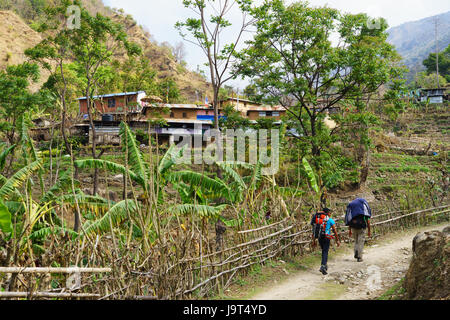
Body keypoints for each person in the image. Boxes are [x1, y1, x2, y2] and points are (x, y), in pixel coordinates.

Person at [311, 208, 341, 275]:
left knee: (323, 250)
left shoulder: (318, 220)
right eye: (330, 213)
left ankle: (324, 264)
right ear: (327, 213)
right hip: (327, 237)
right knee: (325, 251)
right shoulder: (330, 220)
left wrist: (313, 240)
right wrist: (337, 240)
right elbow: (334, 231)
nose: (330, 214)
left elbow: (313, 230)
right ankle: (323, 266)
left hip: (319, 237)